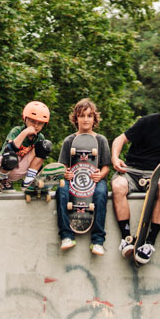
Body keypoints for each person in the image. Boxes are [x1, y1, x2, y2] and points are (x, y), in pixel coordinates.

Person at [111, 90, 160, 264]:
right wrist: (115, 158)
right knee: (118, 186)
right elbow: (120, 139)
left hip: (159, 174)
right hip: (132, 170)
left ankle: (149, 243)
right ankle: (126, 238)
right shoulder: (148, 122)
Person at [55, 98, 111, 255]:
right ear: (76, 118)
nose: (86, 119)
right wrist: (65, 173)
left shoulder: (101, 140)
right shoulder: (69, 140)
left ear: (94, 119)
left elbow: (106, 167)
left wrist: (101, 175)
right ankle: (66, 236)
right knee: (61, 190)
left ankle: (98, 241)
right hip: (73, 179)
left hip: (95, 179)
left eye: (89, 116)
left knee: (101, 193)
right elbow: (62, 165)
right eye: (82, 116)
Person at [0, 101, 55, 191]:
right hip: (3, 166)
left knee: (45, 145)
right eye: (32, 121)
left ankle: (29, 181)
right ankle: (2, 179)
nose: (35, 126)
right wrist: (25, 132)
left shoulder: (40, 137)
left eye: (40, 123)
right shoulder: (17, 130)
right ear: (25, 119)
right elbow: (9, 149)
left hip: (21, 167)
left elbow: (39, 158)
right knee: (11, 157)